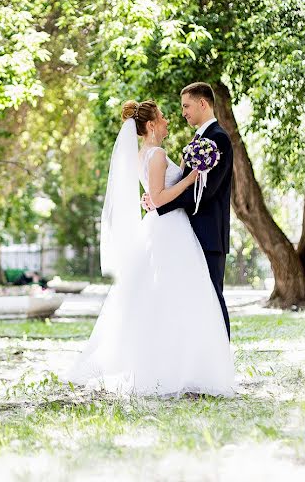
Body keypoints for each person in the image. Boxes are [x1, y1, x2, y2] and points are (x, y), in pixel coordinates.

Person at [63, 99, 234, 396]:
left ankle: (182, 363)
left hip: (164, 226)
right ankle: (177, 366)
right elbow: (159, 196)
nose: (169, 119)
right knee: (179, 294)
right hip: (170, 229)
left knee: (167, 295)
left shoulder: (145, 154)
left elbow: (154, 195)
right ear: (152, 124)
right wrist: (192, 177)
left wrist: (177, 175)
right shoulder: (156, 154)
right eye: (164, 116)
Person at [143, 83, 233, 338]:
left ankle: (221, 362)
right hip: (189, 233)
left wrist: (160, 203)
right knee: (197, 303)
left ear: (202, 104)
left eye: (186, 106)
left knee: (213, 299)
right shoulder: (199, 140)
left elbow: (205, 192)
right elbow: (184, 182)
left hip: (209, 233)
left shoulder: (218, 138)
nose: (183, 112)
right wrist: (155, 197)